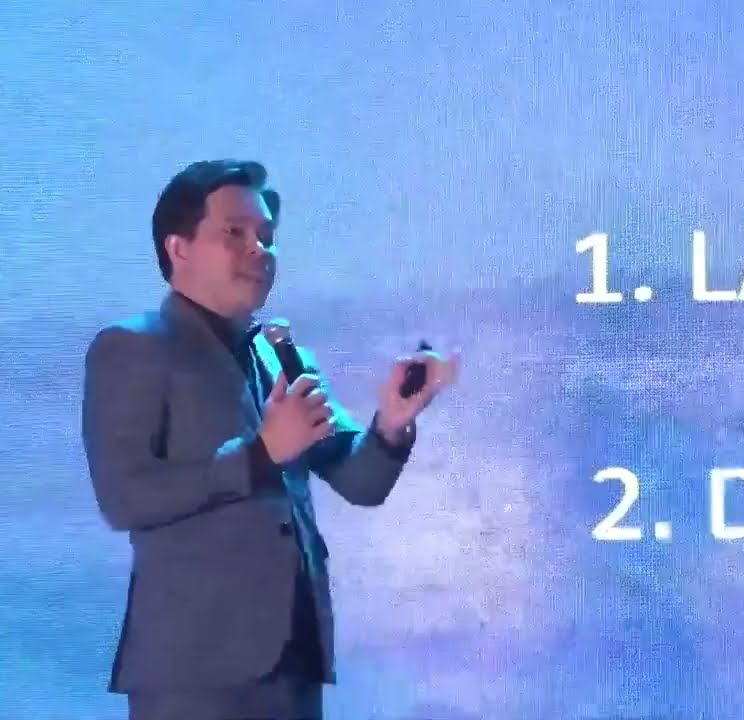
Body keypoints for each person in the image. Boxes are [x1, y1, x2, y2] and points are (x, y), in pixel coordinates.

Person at [80, 159, 460, 720]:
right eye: (235, 233)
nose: (259, 250)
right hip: (192, 671)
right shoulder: (134, 347)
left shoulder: (283, 355)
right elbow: (125, 499)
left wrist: (391, 423)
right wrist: (259, 455)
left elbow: (360, 482)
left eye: (267, 236)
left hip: (294, 659)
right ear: (179, 248)